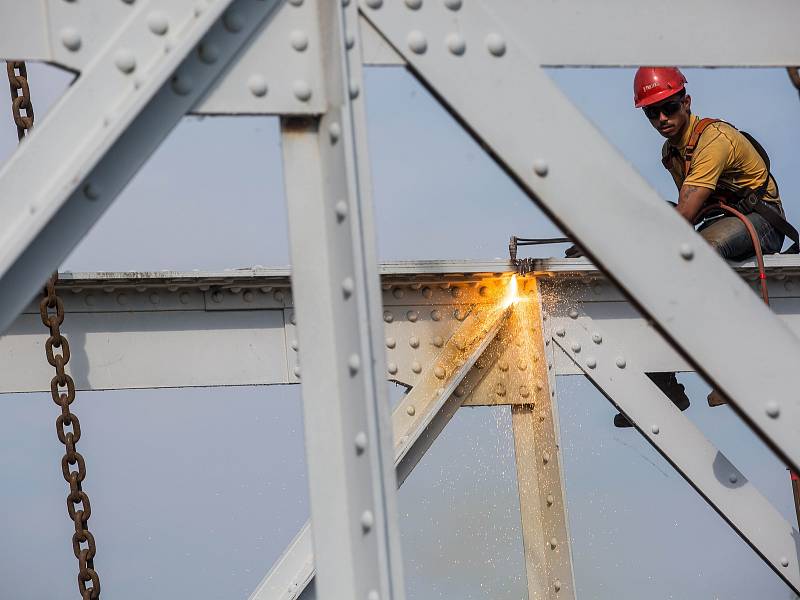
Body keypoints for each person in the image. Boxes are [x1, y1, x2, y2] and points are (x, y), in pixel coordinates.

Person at [612, 66, 795, 427]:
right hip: (720, 221)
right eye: (652, 112)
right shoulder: (672, 153)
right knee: (658, 262)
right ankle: (665, 383)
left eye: (669, 107)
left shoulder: (712, 140)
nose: (662, 118)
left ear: (686, 102)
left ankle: (735, 371)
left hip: (762, 222)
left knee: (698, 254)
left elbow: (685, 217)